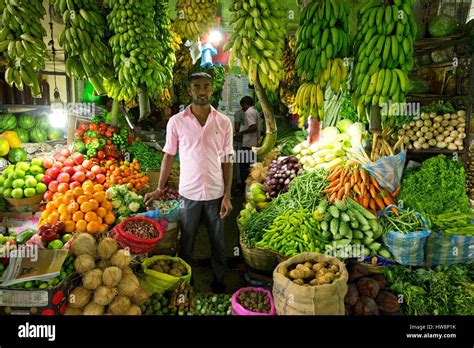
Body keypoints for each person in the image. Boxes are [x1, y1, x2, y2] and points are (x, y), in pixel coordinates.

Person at [144, 72, 234, 293]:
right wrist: (159, 189)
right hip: (188, 194)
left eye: (206, 86)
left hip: (215, 192)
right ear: (189, 90)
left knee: (218, 242)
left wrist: (228, 195)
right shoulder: (176, 122)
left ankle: (219, 280)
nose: (202, 91)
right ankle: (186, 281)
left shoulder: (223, 122)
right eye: (197, 86)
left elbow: (228, 159)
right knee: (186, 242)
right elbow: (168, 156)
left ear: (212, 89)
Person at [236, 96, 259, 192]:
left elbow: (253, 127)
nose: (242, 108)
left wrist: (240, 133)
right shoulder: (256, 111)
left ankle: (242, 190)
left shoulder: (248, 112)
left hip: (247, 145)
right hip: (253, 145)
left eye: (242, 106)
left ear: (245, 104)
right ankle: (249, 190)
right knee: (251, 169)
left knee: (243, 169)